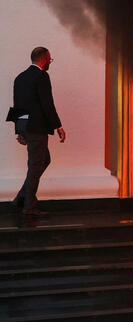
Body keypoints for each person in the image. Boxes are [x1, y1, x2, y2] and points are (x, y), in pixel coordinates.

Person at [8, 47, 66, 222]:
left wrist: (18, 130)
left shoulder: (20, 77)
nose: (50, 62)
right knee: (35, 166)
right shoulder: (41, 76)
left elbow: (17, 105)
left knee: (42, 161)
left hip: (25, 126)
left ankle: (22, 196)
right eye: (49, 59)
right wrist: (59, 126)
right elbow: (47, 104)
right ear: (44, 59)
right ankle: (29, 206)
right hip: (36, 128)